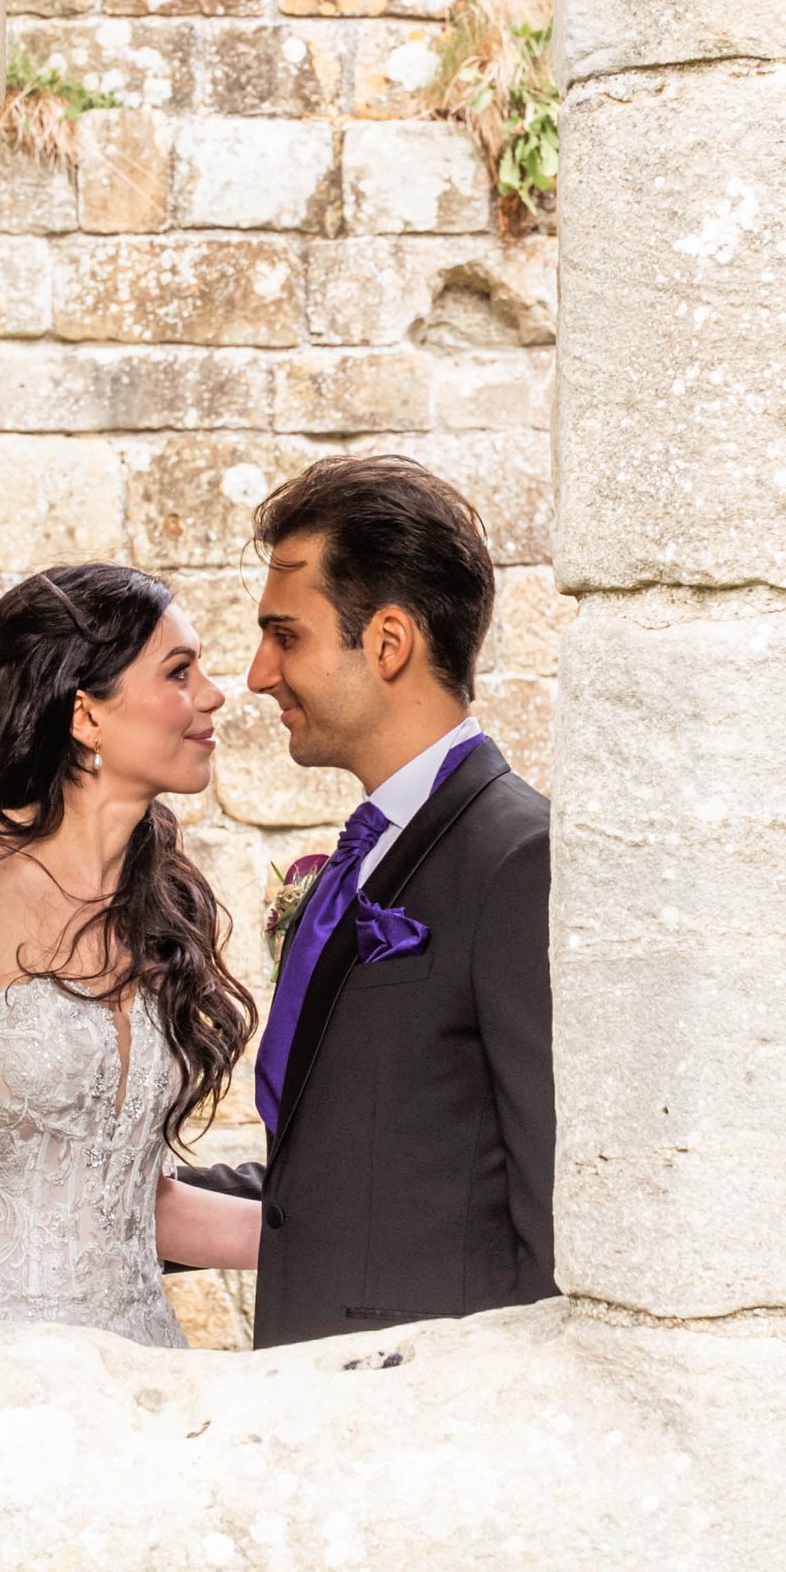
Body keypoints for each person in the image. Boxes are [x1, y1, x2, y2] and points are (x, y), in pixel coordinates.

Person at [230, 452, 556, 1348]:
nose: (258, 673)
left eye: (284, 635)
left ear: (387, 641)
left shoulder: (519, 860)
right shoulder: (361, 854)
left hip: (424, 1410)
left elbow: (553, 1210)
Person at [0, 563, 261, 1345]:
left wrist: (354, 1243)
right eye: (179, 671)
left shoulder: (161, 905)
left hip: (146, 1364)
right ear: (86, 714)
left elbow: (136, 1204)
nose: (212, 693)